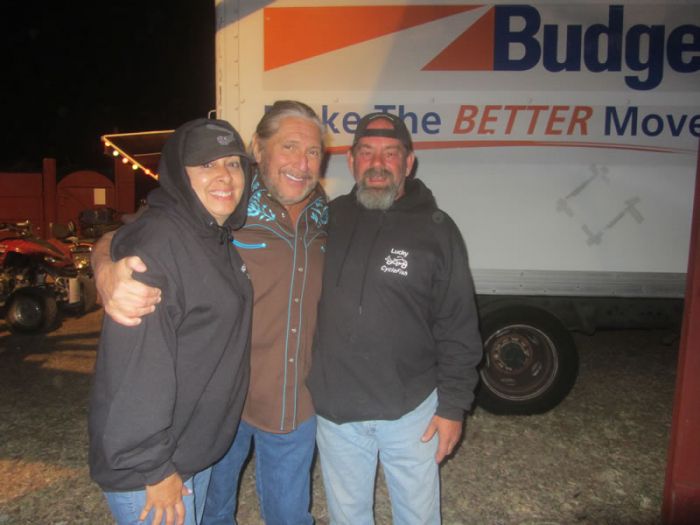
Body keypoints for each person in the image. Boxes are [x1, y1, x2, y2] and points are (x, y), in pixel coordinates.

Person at [91, 101, 327, 525]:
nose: (302, 163)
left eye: (312, 152)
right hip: (227, 410)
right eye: (289, 146)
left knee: (290, 516)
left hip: (283, 406)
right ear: (259, 148)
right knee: (214, 513)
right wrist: (106, 269)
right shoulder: (210, 206)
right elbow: (125, 237)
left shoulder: (323, 212)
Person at [306, 112, 483, 524]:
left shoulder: (438, 231)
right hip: (337, 412)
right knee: (348, 517)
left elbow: (458, 325)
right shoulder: (326, 220)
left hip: (411, 410)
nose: (378, 163)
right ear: (351, 162)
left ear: (409, 162)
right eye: (366, 153)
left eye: (390, 153)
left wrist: (453, 406)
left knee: (417, 517)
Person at [88, 118, 254, 525]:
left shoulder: (213, 235)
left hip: (191, 448)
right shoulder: (158, 245)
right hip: (156, 470)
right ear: (179, 174)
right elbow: (133, 369)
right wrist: (154, 467)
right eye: (205, 164)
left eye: (233, 164)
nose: (223, 176)